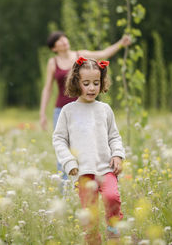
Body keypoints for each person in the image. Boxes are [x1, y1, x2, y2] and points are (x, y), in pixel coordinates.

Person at [52, 57, 125, 244]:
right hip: (83, 172)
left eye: (96, 83)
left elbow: (114, 136)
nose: (92, 88)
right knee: (90, 215)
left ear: (102, 83)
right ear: (77, 83)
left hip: (105, 168)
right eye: (86, 83)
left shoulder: (105, 109)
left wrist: (117, 155)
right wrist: (69, 162)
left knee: (112, 197)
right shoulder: (68, 111)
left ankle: (114, 231)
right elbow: (59, 139)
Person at [39, 31, 130, 180]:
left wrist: (121, 43)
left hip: (87, 109)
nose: (63, 41)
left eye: (63, 38)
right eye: (58, 41)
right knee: (64, 151)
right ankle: (67, 190)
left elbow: (103, 54)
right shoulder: (53, 62)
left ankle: (93, 181)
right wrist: (42, 113)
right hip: (62, 109)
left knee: (87, 148)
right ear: (53, 48)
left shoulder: (80, 56)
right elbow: (47, 88)